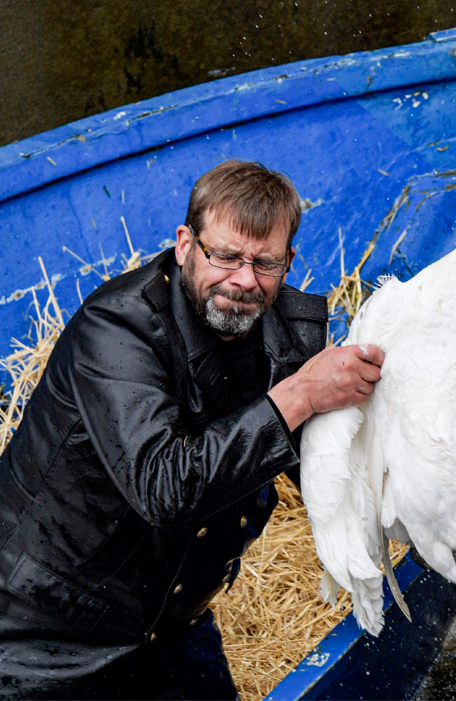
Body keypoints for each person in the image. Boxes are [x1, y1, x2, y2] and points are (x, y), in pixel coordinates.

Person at [0, 160, 384, 699]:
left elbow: (326, 466)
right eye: (224, 256)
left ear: (288, 261)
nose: (244, 280)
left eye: (265, 263)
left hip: (169, 616)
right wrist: (298, 397)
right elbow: (164, 487)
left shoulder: (287, 338)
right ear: (186, 244)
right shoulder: (117, 330)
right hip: (44, 631)